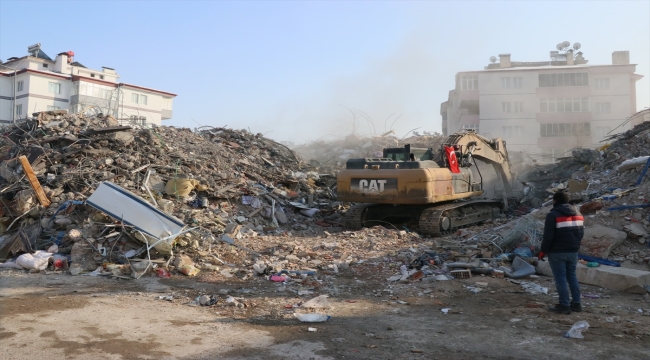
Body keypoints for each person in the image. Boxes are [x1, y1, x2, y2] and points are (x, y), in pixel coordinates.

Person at [539, 191, 585, 314]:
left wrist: (543, 251)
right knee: (572, 277)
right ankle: (576, 304)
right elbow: (581, 234)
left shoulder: (553, 215)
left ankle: (564, 305)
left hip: (557, 252)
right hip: (573, 252)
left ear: (555, 201)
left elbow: (548, 236)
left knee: (560, 279)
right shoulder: (578, 214)